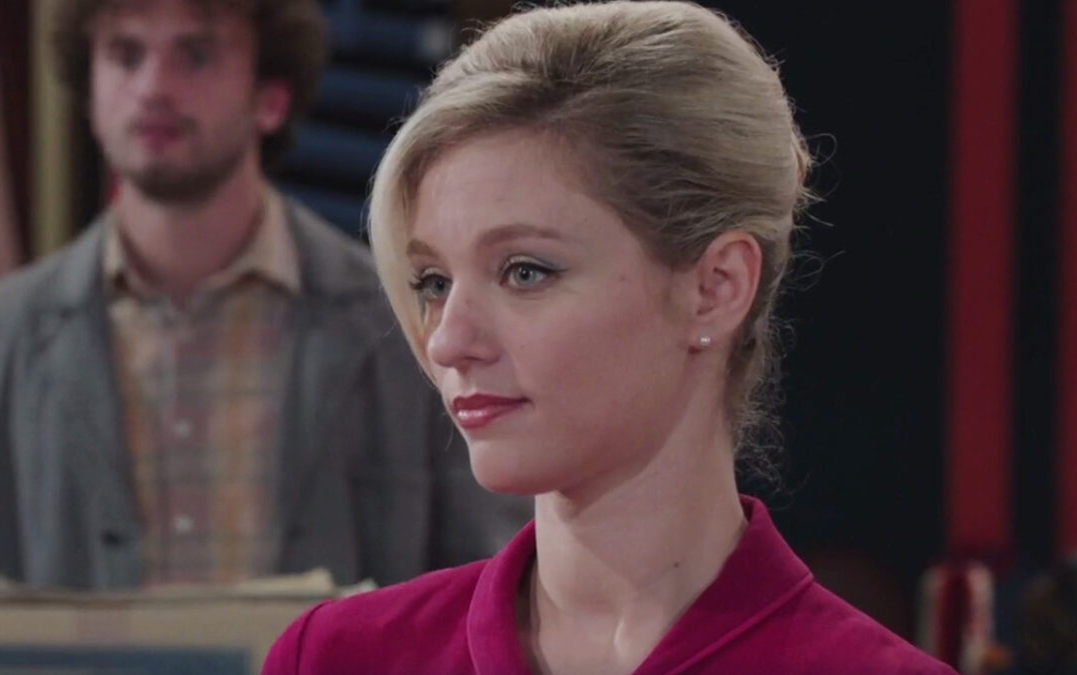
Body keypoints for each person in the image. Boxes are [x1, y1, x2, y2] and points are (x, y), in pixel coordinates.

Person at [261, 2, 958, 673]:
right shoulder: (337, 659)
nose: (447, 343)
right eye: (434, 282)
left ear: (716, 287)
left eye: (525, 271)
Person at [0, 0, 529, 603]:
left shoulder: (413, 331)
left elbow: (492, 582)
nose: (153, 87)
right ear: (90, 91)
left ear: (270, 98)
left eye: (195, 55)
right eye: (125, 54)